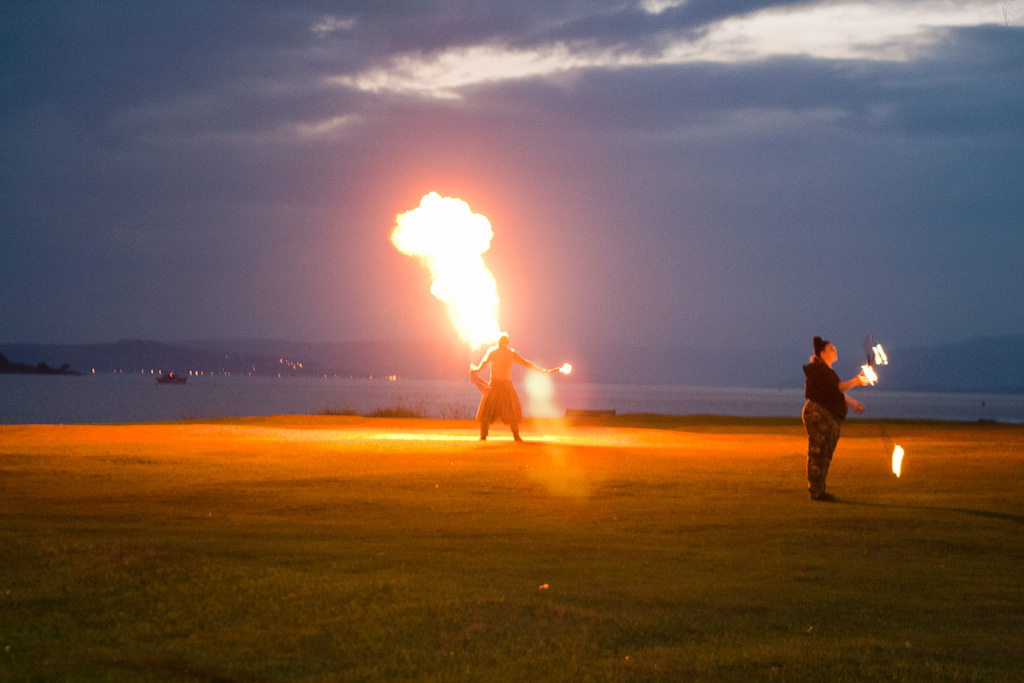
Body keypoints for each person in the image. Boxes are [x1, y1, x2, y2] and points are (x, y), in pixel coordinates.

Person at [802, 336, 869, 501]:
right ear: (822, 353)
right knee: (818, 452)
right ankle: (817, 492)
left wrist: (854, 403)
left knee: (825, 453)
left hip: (827, 415)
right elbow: (837, 388)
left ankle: (820, 490)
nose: (835, 350)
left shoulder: (828, 371)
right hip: (818, 414)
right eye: (832, 348)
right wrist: (855, 381)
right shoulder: (818, 370)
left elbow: (837, 392)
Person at [470, 333, 559, 441]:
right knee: (489, 411)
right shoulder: (501, 352)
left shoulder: (501, 352)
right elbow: (525, 362)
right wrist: (541, 371)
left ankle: (510, 435)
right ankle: (486, 435)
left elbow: (525, 362)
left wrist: (476, 370)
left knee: (507, 411)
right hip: (498, 384)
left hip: (502, 385)